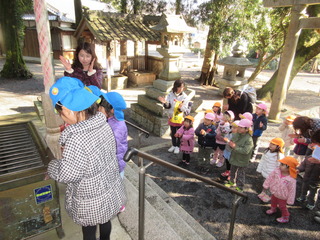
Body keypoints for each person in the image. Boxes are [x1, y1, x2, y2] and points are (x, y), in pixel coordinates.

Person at [48, 77, 126, 240]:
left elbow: (68, 174)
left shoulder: (76, 139)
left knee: (89, 230)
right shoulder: (103, 124)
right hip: (107, 190)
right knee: (106, 220)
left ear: (69, 109)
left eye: (59, 111)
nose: (60, 115)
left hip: (89, 200)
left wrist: (53, 167)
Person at [87, 85, 128, 179]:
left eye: (101, 108)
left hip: (115, 166)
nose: (98, 110)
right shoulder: (108, 119)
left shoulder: (119, 126)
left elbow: (108, 145)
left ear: (112, 110)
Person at [263, 156, 298, 223]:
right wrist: (266, 185)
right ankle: (273, 209)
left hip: (283, 196)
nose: (280, 165)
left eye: (282, 164)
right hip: (274, 192)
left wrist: (290, 200)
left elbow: (292, 190)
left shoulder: (291, 180)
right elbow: (270, 177)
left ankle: (286, 216)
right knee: (273, 201)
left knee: (282, 206)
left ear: (289, 167)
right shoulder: (276, 172)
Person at [158, 80, 189, 154]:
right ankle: (174, 145)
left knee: (179, 133)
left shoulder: (184, 97)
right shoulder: (170, 94)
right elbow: (168, 106)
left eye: (182, 87)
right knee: (173, 132)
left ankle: (178, 146)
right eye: (179, 87)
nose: (181, 89)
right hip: (172, 117)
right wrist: (165, 103)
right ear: (175, 87)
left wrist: (181, 107)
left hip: (180, 118)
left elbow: (185, 109)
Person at [225, 118, 254, 192]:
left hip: (242, 160)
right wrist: (230, 143)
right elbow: (232, 141)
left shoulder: (249, 139)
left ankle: (239, 187)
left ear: (247, 129)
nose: (239, 128)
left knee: (240, 174)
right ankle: (231, 181)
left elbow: (245, 151)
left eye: (241, 127)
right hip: (234, 157)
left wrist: (235, 147)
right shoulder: (236, 134)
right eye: (239, 126)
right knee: (232, 171)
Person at [296, 129, 320, 210]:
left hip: (316, 180)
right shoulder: (309, 158)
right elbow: (303, 165)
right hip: (306, 177)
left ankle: (311, 202)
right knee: (304, 187)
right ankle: (303, 197)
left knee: (313, 192)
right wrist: (299, 169)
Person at [257, 138, 285, 202]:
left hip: (272, 174)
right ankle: (263, 192)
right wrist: (259, 169)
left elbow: (279, 166)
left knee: (270, 186)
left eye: (273, 144)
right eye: (270, 143)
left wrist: (277, 175)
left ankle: (268, 195)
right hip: (265, 171)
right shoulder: (266, 151)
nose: (271, 145)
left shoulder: (279, 155)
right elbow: (262, 161)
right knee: (265, 183)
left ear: (278, 146)